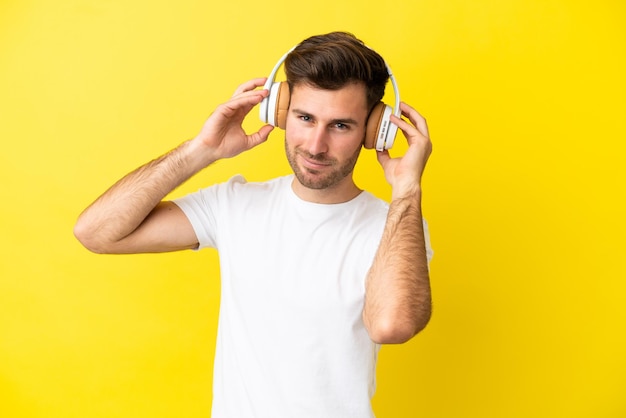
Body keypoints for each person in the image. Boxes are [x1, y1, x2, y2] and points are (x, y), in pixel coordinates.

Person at [74, 31, 433, 418]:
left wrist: (407, 189)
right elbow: (95, 232)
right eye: (305, 117)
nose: (315, 145)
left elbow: (391, 327)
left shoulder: (394, 225)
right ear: (279, 111)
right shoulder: (234, 204)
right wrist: (202, 150)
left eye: (341, 126)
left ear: (373, 130)